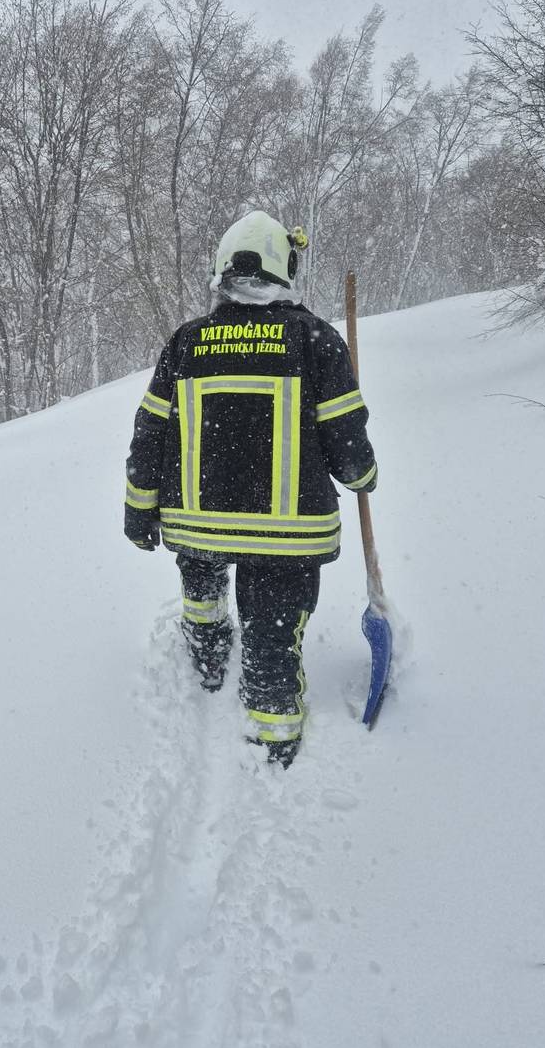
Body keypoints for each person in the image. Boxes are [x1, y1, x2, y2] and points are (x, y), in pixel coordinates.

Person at [124, 211, 378, 769]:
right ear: (283, 268)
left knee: (202, 596)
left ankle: (209, 659)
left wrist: (140, 510)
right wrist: (362, 476)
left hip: (197, 523)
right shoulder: (315, 339)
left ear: (223, 271)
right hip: (285, 533)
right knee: (271, 632)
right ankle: (274, 734)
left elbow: (150, 431)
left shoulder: (187, 342)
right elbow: (345, 434)